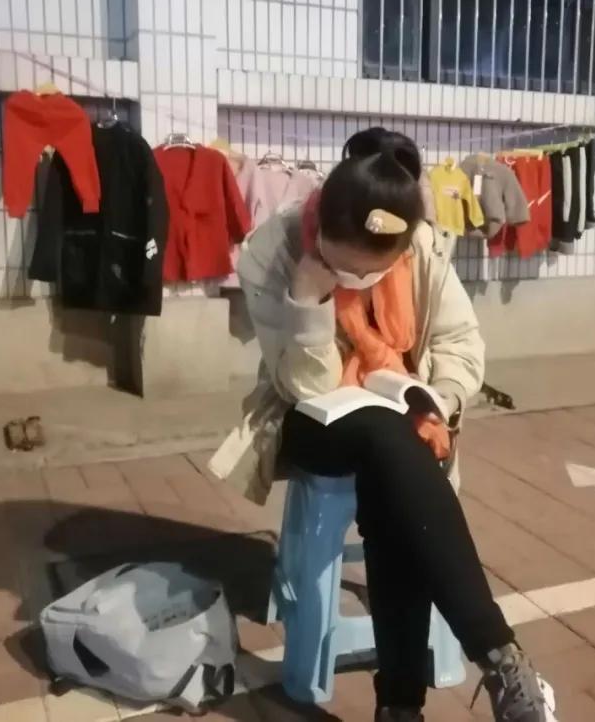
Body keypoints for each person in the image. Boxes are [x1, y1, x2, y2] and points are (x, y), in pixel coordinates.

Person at [209, 129, 547, 722]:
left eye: (370, 272)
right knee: (387, 443)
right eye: (341, 268)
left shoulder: (422, 245)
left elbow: (460, 344)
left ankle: (400, 708)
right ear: (320, 232)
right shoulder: (271, 251)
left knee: (393, 483)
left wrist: (440, 399)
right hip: (309, 417)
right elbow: (303, 387)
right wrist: (308, 305)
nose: (354, 280)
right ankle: (498, 656)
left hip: (402, 419)